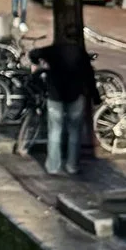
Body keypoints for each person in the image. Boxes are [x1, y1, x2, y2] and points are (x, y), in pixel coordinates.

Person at [42, 27, 96, 173]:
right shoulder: (80, 53)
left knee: (54, 131)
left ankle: (53, 166)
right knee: (74, 132)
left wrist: (41, 65)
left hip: (55, 96)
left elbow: (33, 53)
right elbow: (89, 76)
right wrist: (95, 96)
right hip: (75, 95)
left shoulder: (53, 50)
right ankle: (72, 165)